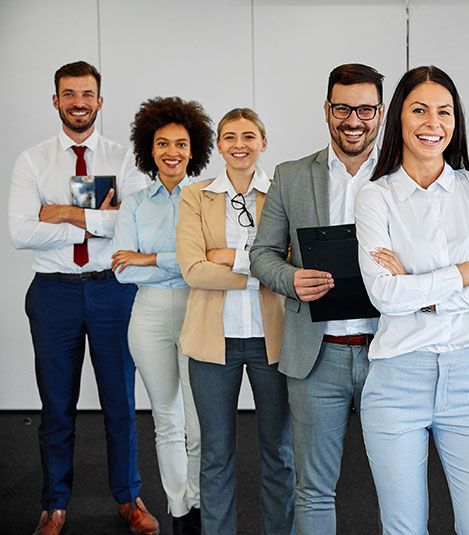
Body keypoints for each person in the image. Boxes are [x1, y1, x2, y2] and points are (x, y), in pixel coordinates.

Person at [353, 65, 469, 534]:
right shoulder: (375, 197)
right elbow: (384, 294)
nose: (432, 123)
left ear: (456, 122)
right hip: (396, 380)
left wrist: (423, 295)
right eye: (419, 110)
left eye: (444, 112)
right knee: (403, 529)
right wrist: (463, 275)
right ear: (398, 118)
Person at [8, 60, 156, 535]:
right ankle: (54, 505)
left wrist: (64, 213)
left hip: (113, 289)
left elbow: (133, 225)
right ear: (56, 100)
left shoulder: (126, 157)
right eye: (69, 94)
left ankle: (129, 497)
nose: (78, 103)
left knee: (120, 403)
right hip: (53, 295)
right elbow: (20, 232)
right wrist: (96, 218)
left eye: (86, 94)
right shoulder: (32, 161)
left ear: (100, 99)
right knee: (56, 407)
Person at [249, 63, 383, 535]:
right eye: (343, 107)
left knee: (399, 485)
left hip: (391, 353)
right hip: (316, 356)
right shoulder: (290, 176)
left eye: (365, 109)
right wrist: (290, 279)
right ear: (327, 110)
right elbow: (261, 255)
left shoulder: (404, 173)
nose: (354, 119)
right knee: (313, 489)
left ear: (380, 112)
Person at [175, 108, 295, 535]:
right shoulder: (195, 195)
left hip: (274, 343)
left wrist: (229, 258)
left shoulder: (283, 192)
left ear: (263, 142)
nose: (239, 144)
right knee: (215, 454)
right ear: (219, 145)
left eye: (248, 136)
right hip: (213, 343)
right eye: (229, 137)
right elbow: (193, 270)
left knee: (280, 453)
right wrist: (262, 265)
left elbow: (293, 264)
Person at [112, 96, 214, 534]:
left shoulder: (207, 198)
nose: (172, 151)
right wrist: (180, 259)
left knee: (198, 422)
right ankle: (180, 511)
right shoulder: (135, 203)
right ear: (149, 150)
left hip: (198, 312)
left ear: (194, 150)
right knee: (167, 420)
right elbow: (119, 271)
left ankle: (199, 499)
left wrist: (149, 258)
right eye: (162, 143)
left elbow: (209, 260)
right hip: (149, 317)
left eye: (181, 143)